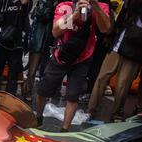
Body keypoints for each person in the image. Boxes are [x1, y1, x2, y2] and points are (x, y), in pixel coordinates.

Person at [35, 0, 111, 132]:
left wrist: (96, 8)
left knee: (73, 95)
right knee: (43, 90)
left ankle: (65, 130)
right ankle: (38, 117)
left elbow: (105, 29)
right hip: (61, 56)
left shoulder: (100, 6)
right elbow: (55, 32)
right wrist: (74, 15)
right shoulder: (66, 5)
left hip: (83, 57)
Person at [87, 0, 142, 122]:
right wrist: (110, 36)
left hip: (134, 51)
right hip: (117, 45)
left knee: (123, 84)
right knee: (102, 78)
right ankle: (90, 110)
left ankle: (116, 114)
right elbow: (120, 21)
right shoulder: (128, 4)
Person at [0, 0, 32, 96]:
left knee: (13, 75)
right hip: (1, 40)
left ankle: (9, 100)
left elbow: (27, 11)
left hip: (17, 43)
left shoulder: (25, 2)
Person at [22, 0, 57, 102]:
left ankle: (42, 94)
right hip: (38, 41)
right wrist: (52, 6)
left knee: (46, 71)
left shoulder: (58, 5)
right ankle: (27, 91)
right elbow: (42, 15)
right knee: (32, 70)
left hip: (48, 42)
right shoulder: (44, 2)